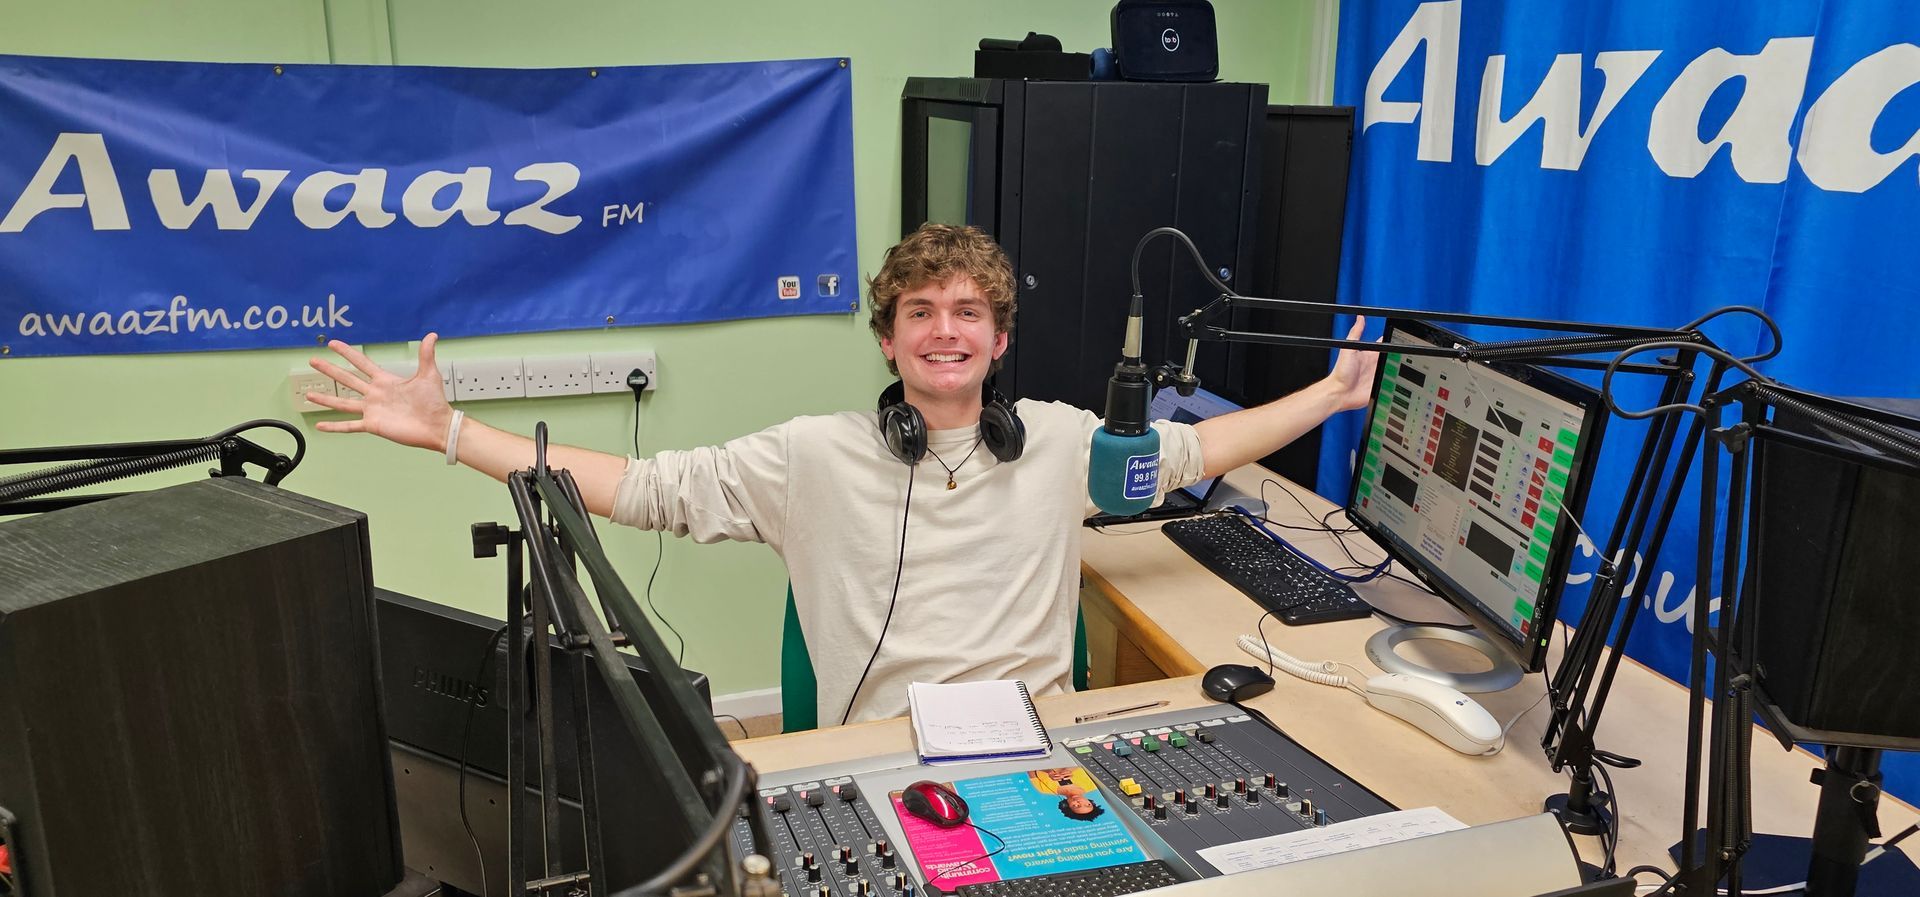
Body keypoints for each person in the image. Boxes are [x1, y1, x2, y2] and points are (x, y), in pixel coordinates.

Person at [307, 223, 1377, 725]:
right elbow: (640, 484)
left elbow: (1191, 452)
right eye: (922, 312)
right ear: (888, 339)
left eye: (969, 312)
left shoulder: (1060, 440)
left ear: (1000, 340)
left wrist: (1328, 397)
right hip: (890, 754)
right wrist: (449, 432)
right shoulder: (809, 456)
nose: (946, 330)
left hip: (1044, 743)